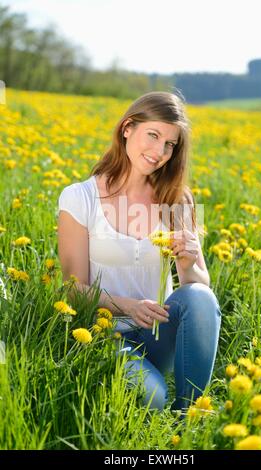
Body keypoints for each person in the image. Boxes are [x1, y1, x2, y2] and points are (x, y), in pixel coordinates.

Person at [57, 91, 221, 412]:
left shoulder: (177, 199)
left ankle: (189, 415)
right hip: (105, 337)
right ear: (127, 128)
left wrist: (188, 261)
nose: (159, 152)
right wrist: (128, 307)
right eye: (154, 135)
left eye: (169, 144)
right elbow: (72, 289)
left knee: (201, 297)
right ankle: (155, 392)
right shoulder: (80, 197)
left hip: (159, 333)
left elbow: (199, 289)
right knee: (152, 398)